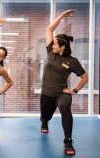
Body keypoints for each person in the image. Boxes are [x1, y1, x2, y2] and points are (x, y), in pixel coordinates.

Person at [40, 10, 88, 155]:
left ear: (62, 47)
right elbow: (49, 29)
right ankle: (44, 121)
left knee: (65, 106)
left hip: (62, 92)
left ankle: (68, 141)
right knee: (45, 115)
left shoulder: (72, 62)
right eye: (53, 43)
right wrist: (62, 16)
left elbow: (85, 77)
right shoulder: (50, 52)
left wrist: (74, 90)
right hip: (47, 93)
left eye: (55, 44)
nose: (53, 45)